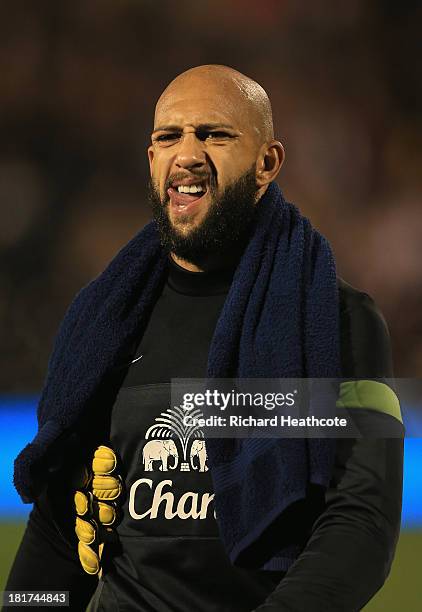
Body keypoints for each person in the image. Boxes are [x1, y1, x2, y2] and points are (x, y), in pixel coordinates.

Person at [6, 65, 403, 612]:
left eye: (214, 134)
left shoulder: (341, 320)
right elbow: (56, 534)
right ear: (151, 161)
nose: (187, 153)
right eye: (169, 136)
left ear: (267, 163)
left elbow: (361, 523)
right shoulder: (103, 322)